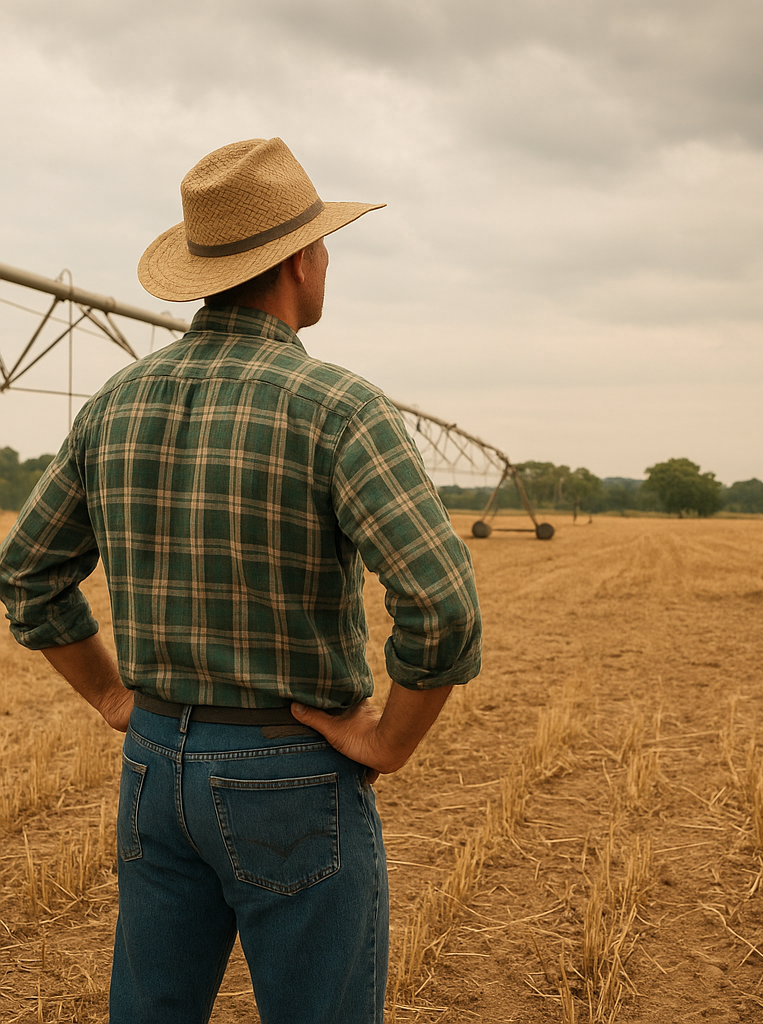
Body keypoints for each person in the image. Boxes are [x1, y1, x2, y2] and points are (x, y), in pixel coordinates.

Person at [0, 138, 482, 1024]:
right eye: (325, 244)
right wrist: (387, 743)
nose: (328, 259)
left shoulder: (115, 403)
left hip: (152, 770)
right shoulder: (338, 407)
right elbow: (442, 607)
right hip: (290, 773)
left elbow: (28, 574)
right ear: (300, 261)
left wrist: (114, 696)